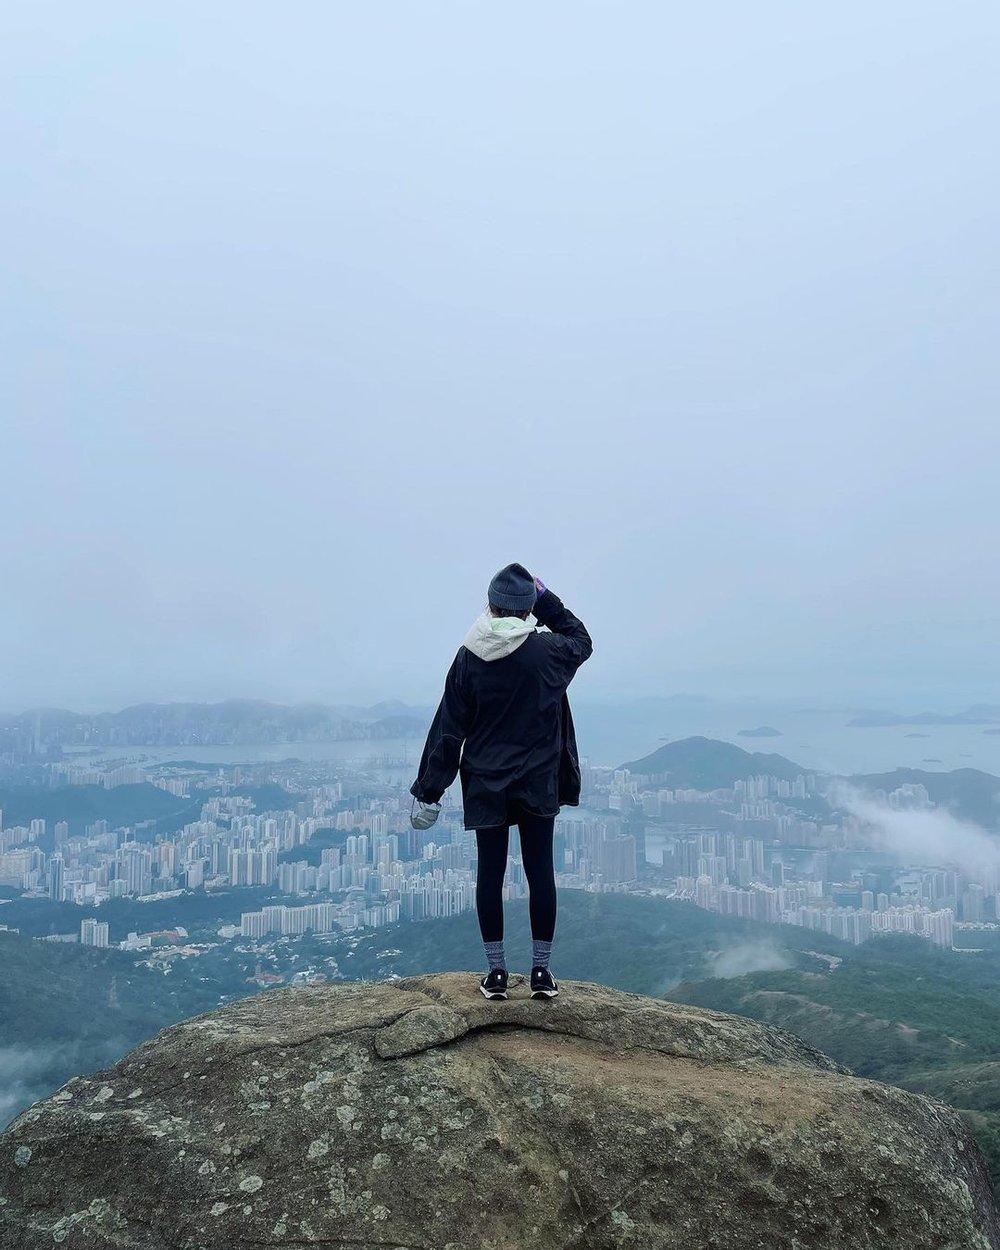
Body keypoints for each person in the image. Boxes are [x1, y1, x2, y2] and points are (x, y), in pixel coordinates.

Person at [410, 562, 593, 1001]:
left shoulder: (469, 655)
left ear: (489, 606)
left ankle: (495, 975)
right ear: (528, 610)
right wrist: (546, 596)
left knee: (490, 874)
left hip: (487, 782)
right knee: (539, 871)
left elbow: (449, 727)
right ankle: (542, 974)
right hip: (537, 780)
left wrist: (430, 791)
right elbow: (582, 640)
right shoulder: (547, 652)